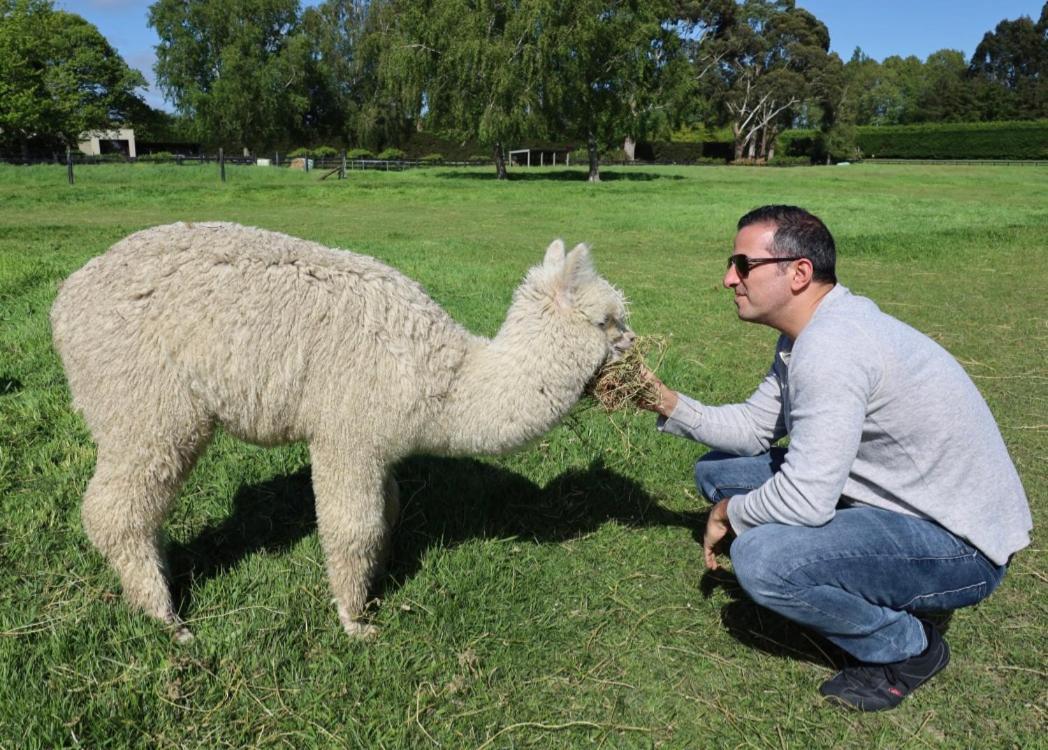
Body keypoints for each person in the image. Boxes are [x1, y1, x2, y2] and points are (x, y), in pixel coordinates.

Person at [640, 205, 1032, 712]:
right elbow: (757, 428)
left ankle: (909, 649)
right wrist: (668, 403)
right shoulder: (807, 332)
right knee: (717, 471)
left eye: (743, 264)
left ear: (798, 273)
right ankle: (851, 567)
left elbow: (805, 497)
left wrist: (728, 515)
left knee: (761, 560)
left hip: (961, 546)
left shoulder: (833, 347)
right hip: (897, 497)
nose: (728, 279)